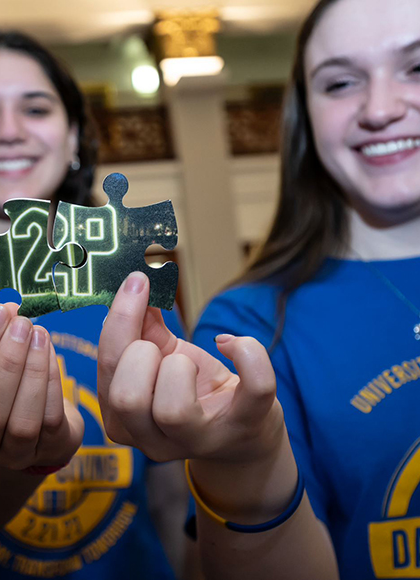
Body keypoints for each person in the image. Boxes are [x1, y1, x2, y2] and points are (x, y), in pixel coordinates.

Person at [96, 0, 420, 578]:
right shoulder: (250, 326)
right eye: (341, 82)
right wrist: (249, 464)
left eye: (416, 68)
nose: (380, 108)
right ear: (305, 115)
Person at [0, 31, 190, 579]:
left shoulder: (132, 282)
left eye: (35, 108)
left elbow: (172, 495)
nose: (10, 132)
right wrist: (28, 459)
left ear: (74, 136)